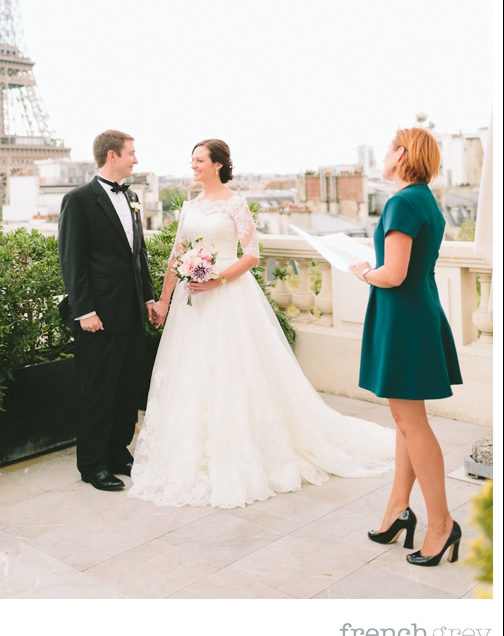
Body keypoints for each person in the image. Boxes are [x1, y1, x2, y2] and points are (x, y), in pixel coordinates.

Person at [128, 139, 395, 510]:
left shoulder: (235, 204)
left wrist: (217, 279)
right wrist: (164, 298)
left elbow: (252, 254)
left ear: (218, 165)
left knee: (235, 372)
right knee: (190, 373)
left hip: (228, 295)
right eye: (192, 161)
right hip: (193, 303)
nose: (194, 166)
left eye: (200, 160)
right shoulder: (189, 206)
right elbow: (177, 254)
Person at [350, 127, 463, 567]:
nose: (384, 155)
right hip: (417, 310)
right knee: (404, 417)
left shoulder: (401, 202)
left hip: (404, 314)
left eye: (388, 149)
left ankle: (441, 525)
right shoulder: (425, 201)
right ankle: (399, 509)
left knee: (411, 421)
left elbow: (392, 274)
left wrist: (361, 270)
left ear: (401, 154)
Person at [58, 130, 155, 491]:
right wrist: (84, 311)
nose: (136, 159)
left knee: (127, 388)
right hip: (97, 316)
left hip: (130, 312)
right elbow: (72, 260)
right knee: (97, 391)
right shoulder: (78, 199)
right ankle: (92, 464)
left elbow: (138, 257)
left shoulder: (131, 197)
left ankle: (118, 452)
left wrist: (147, 299)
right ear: (112, 156)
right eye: (132, 153)